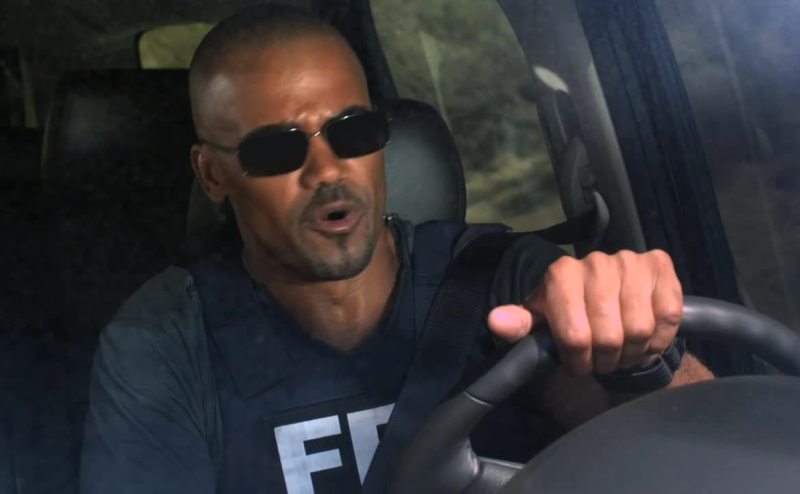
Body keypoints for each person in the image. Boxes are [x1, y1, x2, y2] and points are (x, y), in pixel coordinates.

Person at [80, 4, 712, 493]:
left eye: (353, 131)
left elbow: (697, 449)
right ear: (213, 174)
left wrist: (637, 353)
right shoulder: (167, 343)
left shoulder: (502, 280)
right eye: (277, 148)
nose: (328, 170)